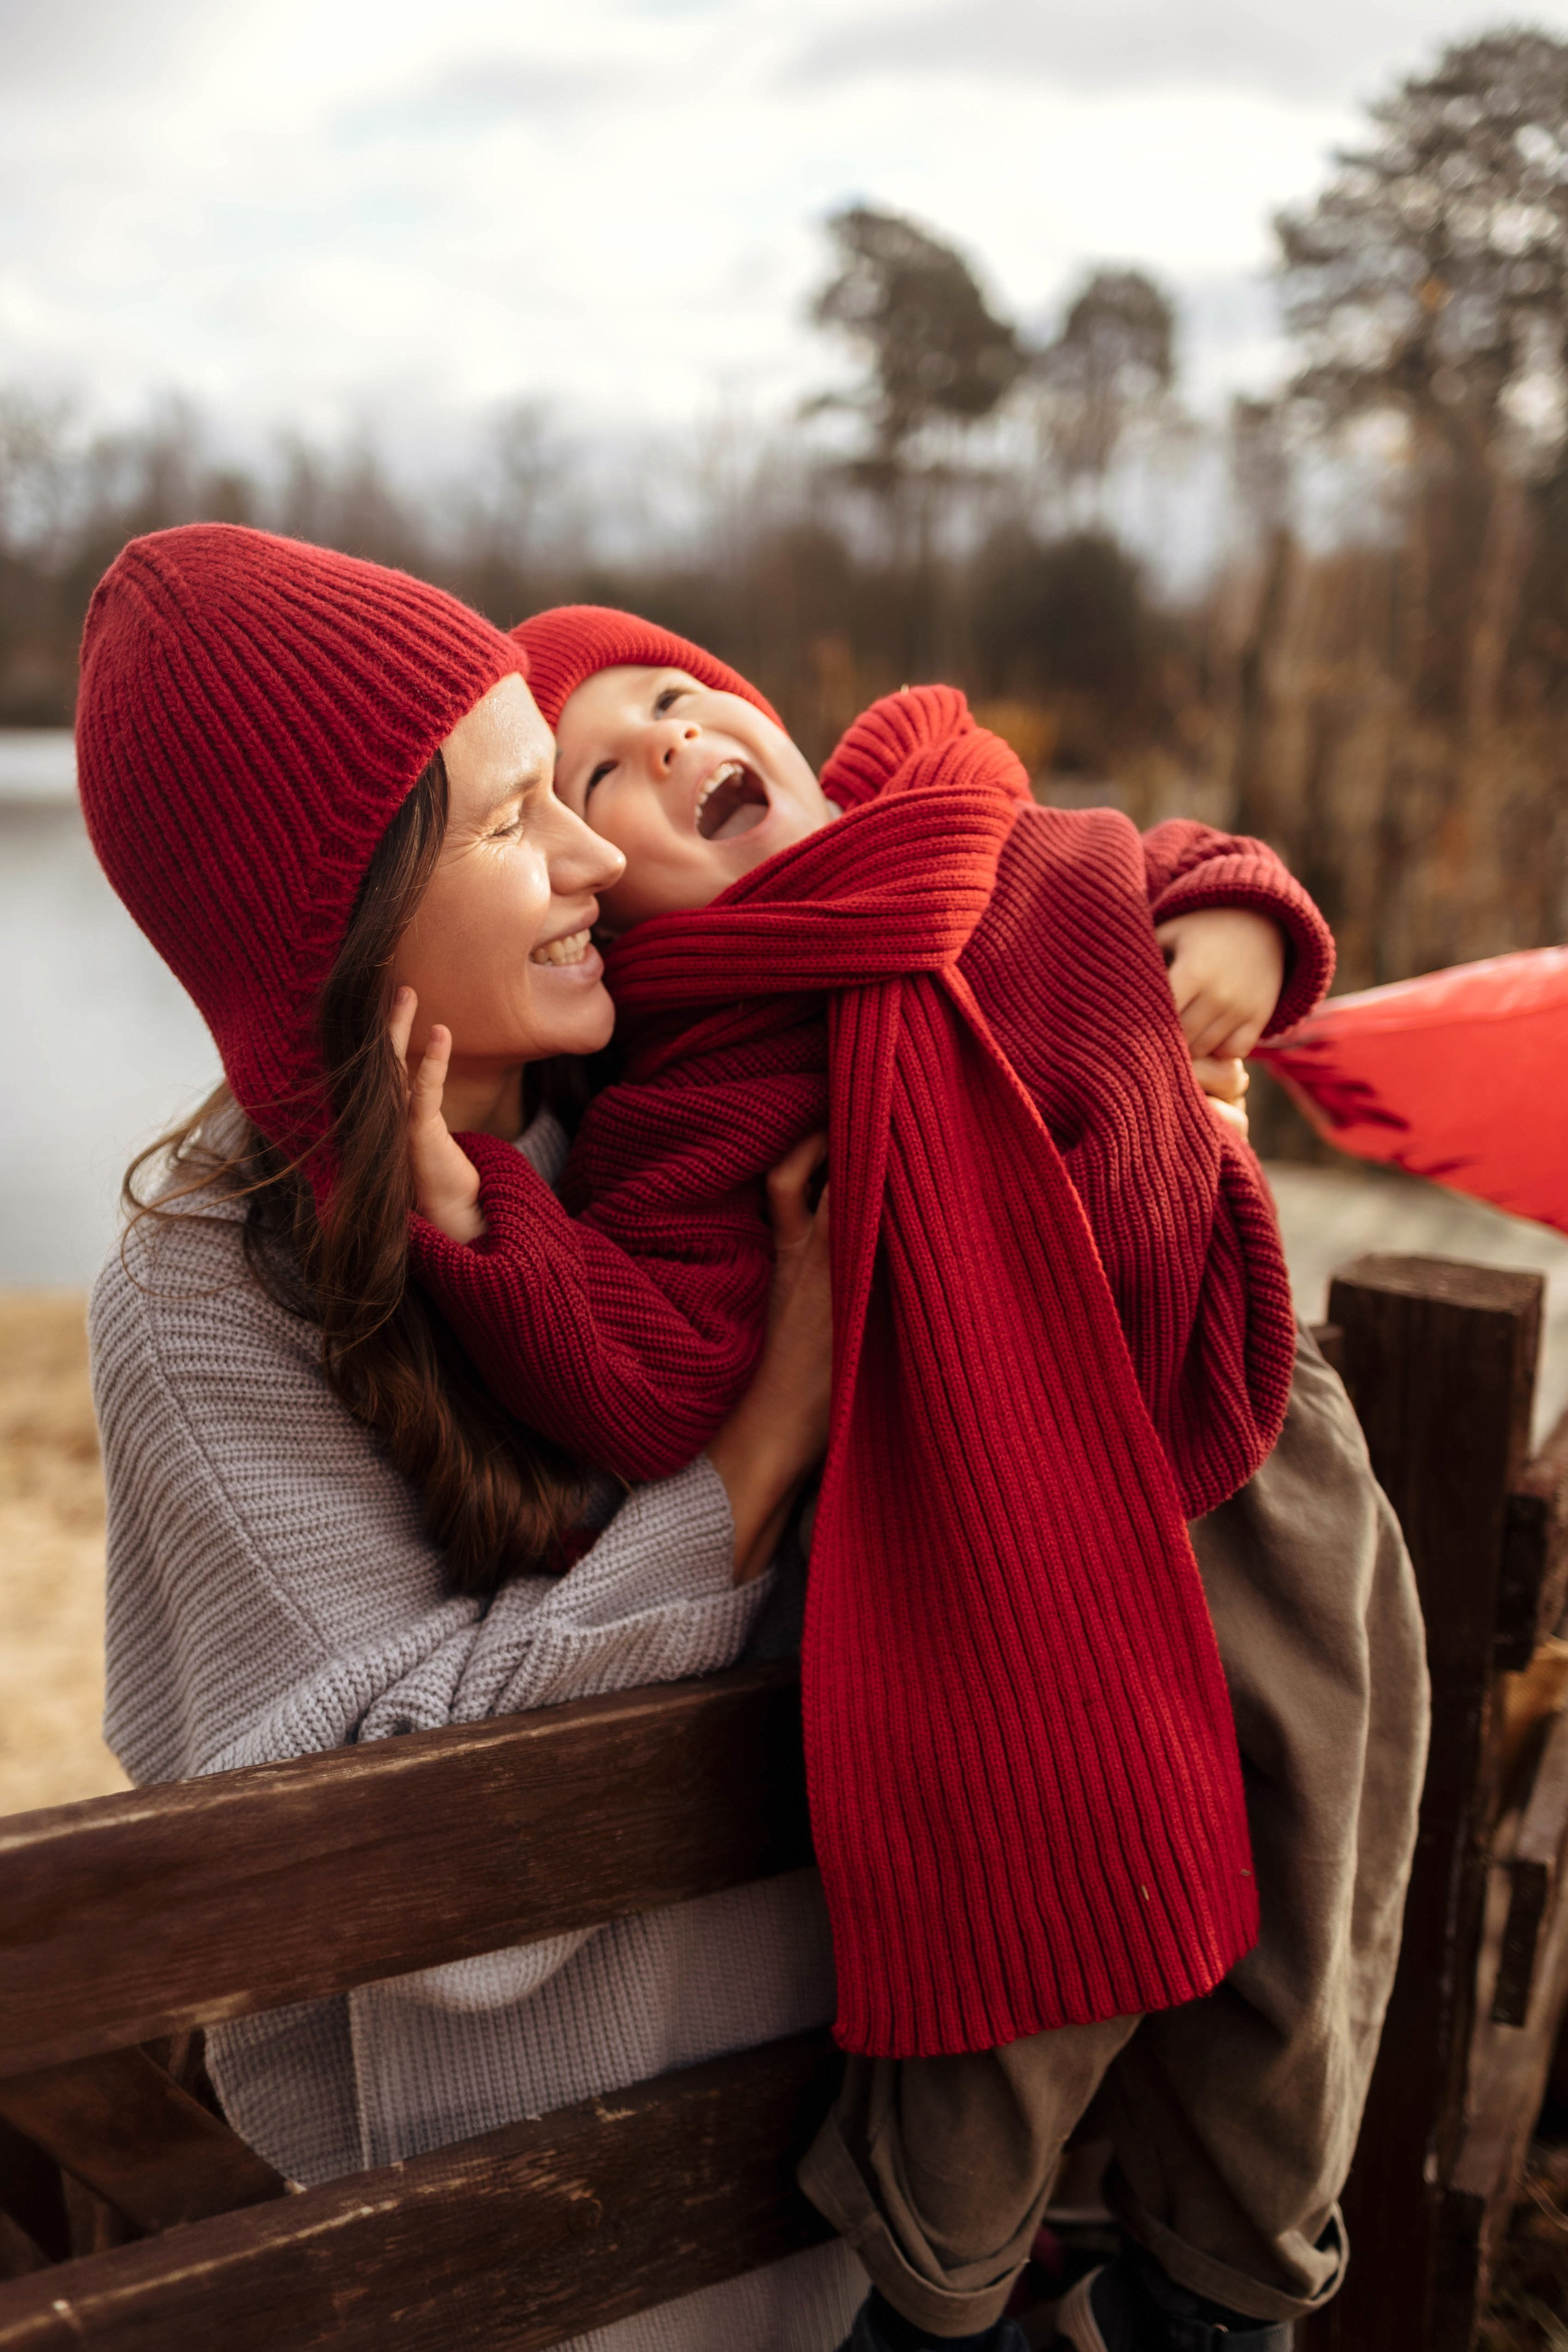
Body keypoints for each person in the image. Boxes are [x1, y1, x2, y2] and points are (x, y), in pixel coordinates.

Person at [404, 607, 1431, 2352]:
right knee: (996, 2006)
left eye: (677, 698)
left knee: (1306, 1934)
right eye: (597, 773)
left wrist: (1251, 928)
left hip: (1243, 1469)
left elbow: (1180, 865)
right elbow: (650, 1372)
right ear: (597, 895)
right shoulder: (703, 1079)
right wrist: (489, 1224)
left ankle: (1228, 2291)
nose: (666, 742)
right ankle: (950, 2299)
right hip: (988, 1558)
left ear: (763, 717)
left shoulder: (1000, 842)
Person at [80, 522, 868, 2350]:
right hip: (518, 2251)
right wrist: (762, 1446)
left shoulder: (689, 1102)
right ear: (334, 917)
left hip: (835, 2185)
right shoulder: (213, 1292)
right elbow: (404, 1871)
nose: (596, 852)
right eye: (517, 821)